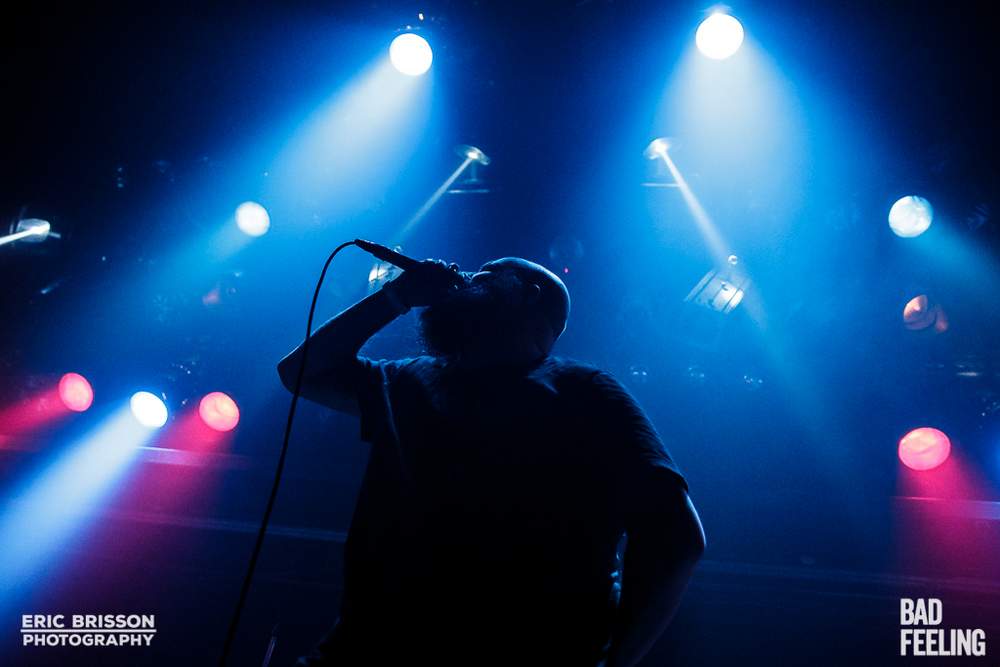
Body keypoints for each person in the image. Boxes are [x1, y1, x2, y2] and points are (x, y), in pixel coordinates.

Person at [278, 256, 705, 667]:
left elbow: (677, 534)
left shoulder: (583, 390)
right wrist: (396, 297)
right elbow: (300, 371)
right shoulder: (406, 379)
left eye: (486, 273)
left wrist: (615, 658)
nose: (465, 276)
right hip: (369, 644)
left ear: (529, 293)